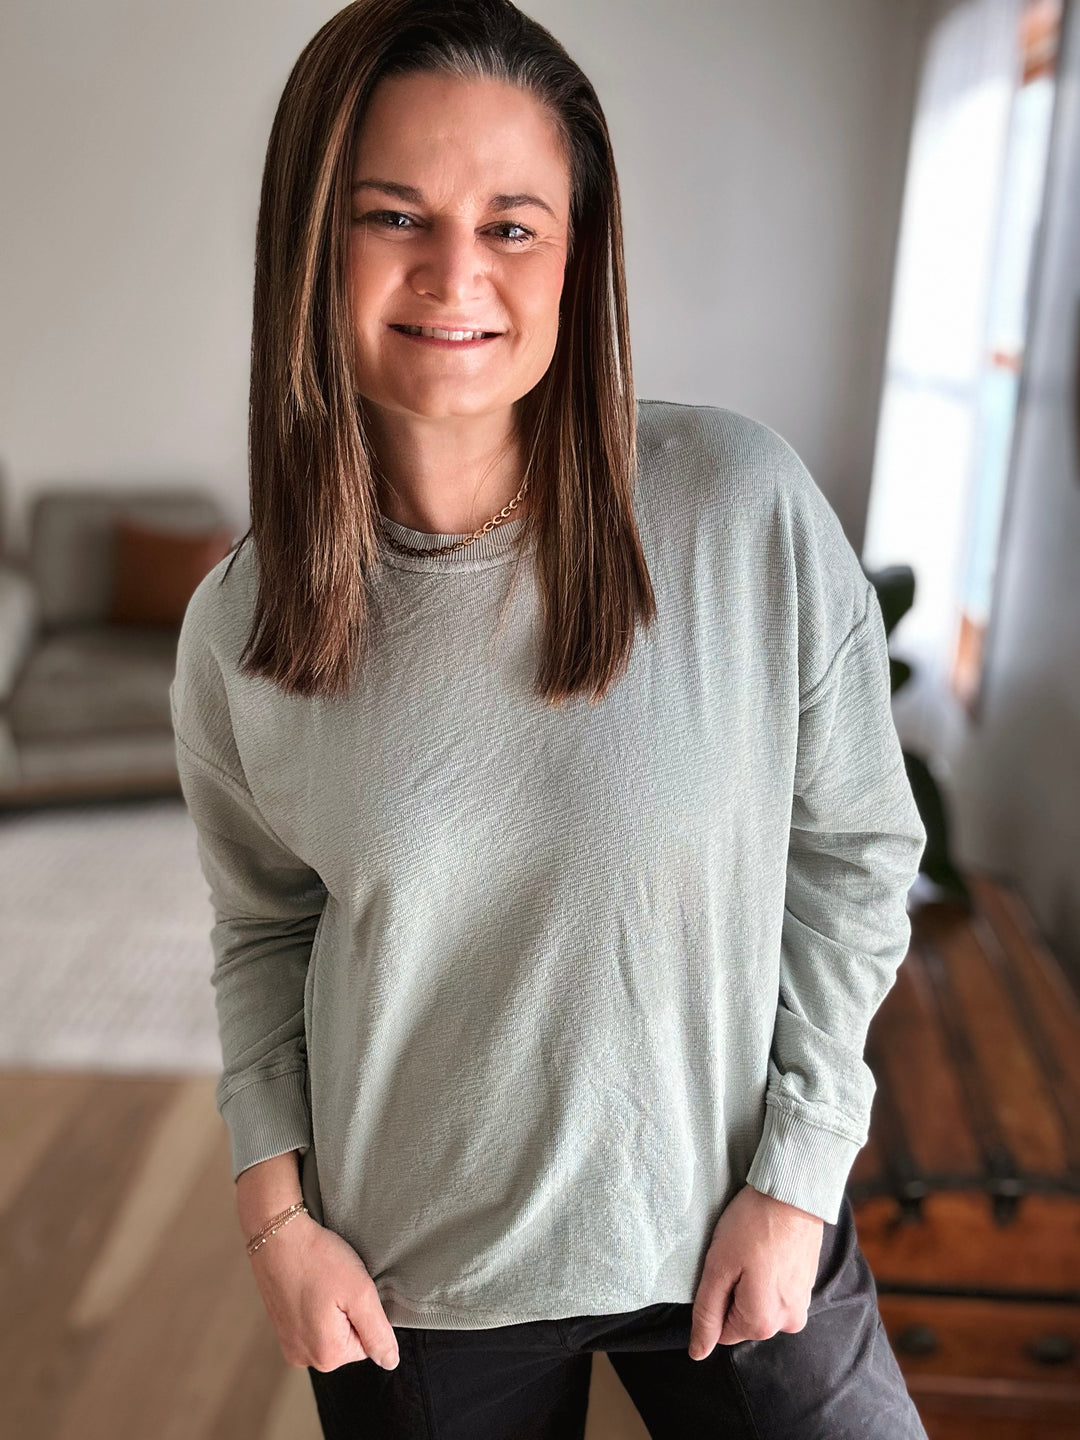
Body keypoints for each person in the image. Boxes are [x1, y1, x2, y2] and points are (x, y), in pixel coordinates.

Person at [169, 1, 931, 1436]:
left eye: (514, 225)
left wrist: (802, 1172)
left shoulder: (739, 506)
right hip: (418, 1289)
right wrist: (278, 1222)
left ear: (576, 255)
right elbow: (264, 931)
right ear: (310, 241)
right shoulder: (244, 625)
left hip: (741, 1235)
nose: (456, 271)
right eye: (394, 214)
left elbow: (860, 850)